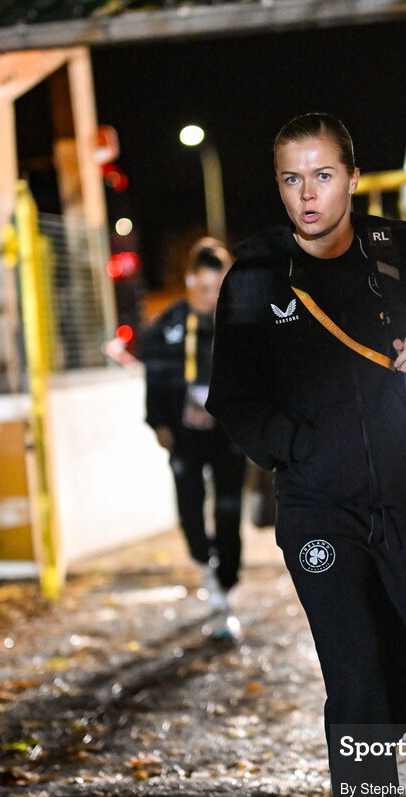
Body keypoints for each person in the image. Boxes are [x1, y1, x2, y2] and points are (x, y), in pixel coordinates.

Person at [206, 114, 406, 797]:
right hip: (319, 508)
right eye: (291, 179)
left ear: (353, 176)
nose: (307, 194)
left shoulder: (399, 248)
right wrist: (296, 453)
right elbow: (233, 396)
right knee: (354, 675)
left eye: (322, 176)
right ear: (277, 185)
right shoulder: (254, 271)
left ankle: (372, 789)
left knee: (396, 678)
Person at [136, 238, 247, 613]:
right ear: (189, 280)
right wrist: (159, 423)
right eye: (204, 287)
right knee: (190, 505)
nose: (211, 296)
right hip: (185, 434)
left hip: (230, 431)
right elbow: (154, 378)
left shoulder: (239, 321)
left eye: (219, 288)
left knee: (230, 506)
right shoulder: (168, 325)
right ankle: (204, 559)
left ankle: (228, 578)